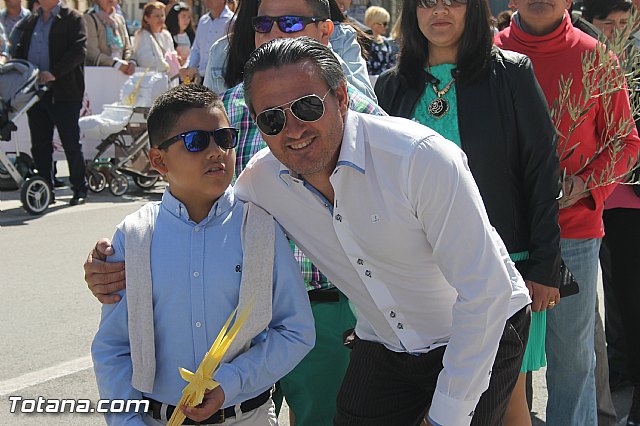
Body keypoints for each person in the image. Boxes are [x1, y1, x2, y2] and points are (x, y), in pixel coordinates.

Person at [374, 0, 562, 424]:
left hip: (501, 270)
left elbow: (542, 171)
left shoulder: (511, 73)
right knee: (438, 403)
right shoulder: (390, 86)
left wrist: (545, 265)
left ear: (474, 9)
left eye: (452, 0)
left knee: (507, 405)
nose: (438, 10)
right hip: (420, 279)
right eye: (425, 2)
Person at [92, 83, 315, 425]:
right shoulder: (135, 236)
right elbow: (114, 347)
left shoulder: (259, 227)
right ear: (158, 160)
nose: (216, 152)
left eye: (224, 138)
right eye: (196, 141)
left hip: (247, 416)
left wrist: (232, 381)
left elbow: (296, 331)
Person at [495, 1, 640, 425]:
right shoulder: (486, 55)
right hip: (503, 233)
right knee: (504, 360)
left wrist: (583, 185)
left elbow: (625, 142)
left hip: (573, 231)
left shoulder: (596, 57)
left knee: (574, 360)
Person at [582, 1, 640, 424]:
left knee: (629, 297)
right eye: (609, 23)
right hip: (599, 202)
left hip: (630, 199)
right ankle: (619, 370)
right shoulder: (592, 61)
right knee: (607, 303)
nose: (618, 30)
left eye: (626, 22)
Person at [203, 0, 375, 101]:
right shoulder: (223, 51)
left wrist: (320, 48)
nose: (277, 34)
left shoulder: (339, 37)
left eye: (291, 23)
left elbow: (367, 109)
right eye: (264, 25)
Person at [10, 0, 88, 205]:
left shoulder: (72, 18)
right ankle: (46, 189)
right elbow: (19, 50)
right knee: (40, 144)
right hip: (36, 93)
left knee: (70, 142)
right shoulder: (31, 20)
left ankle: (79, 188)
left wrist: (54, 73)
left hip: (65, 92)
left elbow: (78, 50)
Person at [180, 0, 233, 83]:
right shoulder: (203, 21)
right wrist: (188, 67)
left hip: (220, 80)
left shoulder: (232, 21)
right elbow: (196, 49)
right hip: (200, 79)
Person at [84, 0, 135, 75]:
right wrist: (116, 64)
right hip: (100, 75)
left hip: (122, 73)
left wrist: (130, 62)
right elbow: (92, 53)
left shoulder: (119, 19)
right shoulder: (89, 18)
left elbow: (127, 47)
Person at [131, 1, 177, 74]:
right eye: (157, 16)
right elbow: (144, 60)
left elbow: (172, 53)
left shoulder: (166, 35)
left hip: (170, 77)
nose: (160, 18)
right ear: (146, 18)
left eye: (162, 15)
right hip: (152, 77)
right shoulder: (142, 35)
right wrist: (166, 63)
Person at [363, 6, 394, 76]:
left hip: (385, 81)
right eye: (385, 24)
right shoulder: (364, 41)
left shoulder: (385, 42)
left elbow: (390, 63)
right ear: (374, 24)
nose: (386, 27)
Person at [165, 1, 195, 66]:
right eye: (183, 16)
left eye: (188, 17)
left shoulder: (192, 36)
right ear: (175, 17)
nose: (186, 20)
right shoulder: (167, 35)